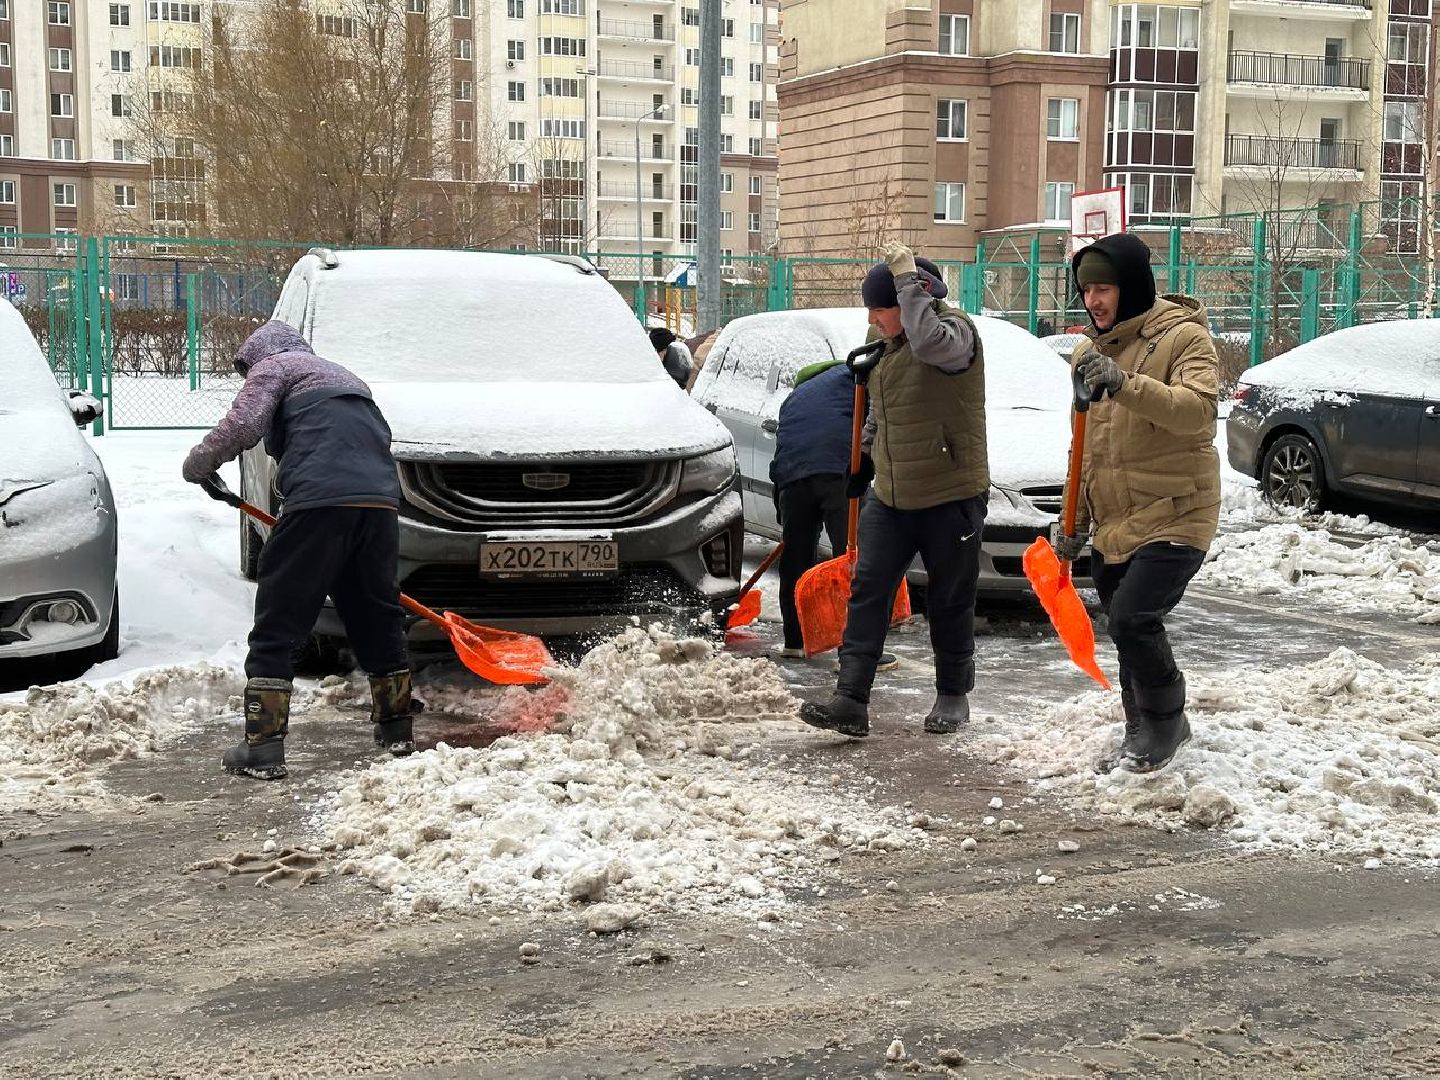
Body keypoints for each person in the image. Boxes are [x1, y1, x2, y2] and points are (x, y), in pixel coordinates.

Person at [181, 321, 418, 781]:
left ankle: (263, 746)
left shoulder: (274, 368)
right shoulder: (346, 377)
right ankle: (397, 729)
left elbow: (242, 425)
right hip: (378, 505)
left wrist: (199, 463)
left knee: (280, 619)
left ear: (256, 357)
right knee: (376, 613)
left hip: (318, 505)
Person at [799, 243, 987, 738]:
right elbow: (880, 414)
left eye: (879, 307)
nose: (871, 317)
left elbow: (929, 342)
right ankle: (851, 699)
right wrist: (862, 461)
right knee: (868, 590)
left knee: (949, 597)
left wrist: (906, 280)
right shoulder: (887, 351)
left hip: (950, 493)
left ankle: (952, 694)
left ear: (909, 302)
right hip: (893, 494)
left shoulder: (955, 337)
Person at [1055, 234, 1220, 773]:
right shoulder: (1087, 353)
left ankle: (1167, 721)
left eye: (1103, 287)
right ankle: (1139, 724)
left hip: (1178, 509)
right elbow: (1085, 444)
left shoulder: (1186, 339)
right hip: (1116, 520)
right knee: (1124, 628)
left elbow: (1196, 412)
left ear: (1132, 287)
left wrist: (1125, 383)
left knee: (1133, 617)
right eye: (1086, 290)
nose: (1093, 300)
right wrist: (1071, 522)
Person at [768, 358, 896, 671]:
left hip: (791, 479)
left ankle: (795, 641)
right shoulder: (856, 379)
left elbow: (783, 451)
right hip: (839, 469)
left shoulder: (794, 398)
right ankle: (855, 651)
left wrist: (782, 509)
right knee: (850, 558)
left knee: (797, 559)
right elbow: (878, 424)